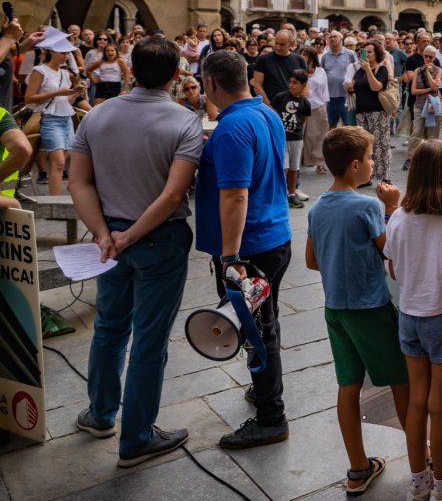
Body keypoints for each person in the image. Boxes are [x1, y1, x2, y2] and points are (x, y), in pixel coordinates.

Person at [69, 36, 203, 467]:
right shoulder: (184, 121)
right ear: (175, 74)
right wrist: (127, 236)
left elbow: (79, 182)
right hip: (158, 240)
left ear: (130, 68)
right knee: (149, 340)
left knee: (109, 328)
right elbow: (172, 195)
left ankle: (101, 414)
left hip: (109, 238)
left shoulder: (98, 115)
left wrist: (105, 234)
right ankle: (136, 438)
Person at [304, 126, 409, 495]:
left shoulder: (317, 208)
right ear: (353, 166)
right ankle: (423, 457)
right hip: (371, 309)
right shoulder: (367, 206)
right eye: (367, 159)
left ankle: (357, 468)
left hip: (336, 309)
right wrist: (392, 208)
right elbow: (389, 251)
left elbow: (312, 261)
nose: (370, 164)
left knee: (348, 386)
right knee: (401, 381)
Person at [196, 50, 292, 449]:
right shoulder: (264, 112)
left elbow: (235, 196)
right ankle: (263, 388)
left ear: (212, 84)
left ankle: (271, 417)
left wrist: (231, 258)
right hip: (275, 236)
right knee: (265, 323)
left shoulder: (231, 128)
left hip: (249, 247)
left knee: (257, 332)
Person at [383, 140, 442, 501]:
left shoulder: (399, 218)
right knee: (441, 405)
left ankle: (417, 482)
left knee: (416, 401)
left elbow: (392, 267)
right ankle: (441, 485)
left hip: (409, 316)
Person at [26, 33, 87, 196]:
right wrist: (58, 92)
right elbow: (29, 98)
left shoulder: (64, 73)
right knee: (58, 161)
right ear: (52, 52)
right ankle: (55, 200)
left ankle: (58, 198)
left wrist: (75, 92)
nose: (66, 56)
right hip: (49, 118)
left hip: (66, 118)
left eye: (67, 53)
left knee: (63, 162)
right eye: (63, 53)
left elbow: (66, 101)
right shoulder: (39, 71)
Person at [347, 41, 392, 186]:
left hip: (378, 112)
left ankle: (385, 176)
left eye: (370, 51)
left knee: (381, 145)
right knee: (365, 146)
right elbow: (355, 87)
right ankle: (368, 176)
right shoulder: (359, 70)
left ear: (377, 54)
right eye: (364, 51)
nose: (366, 54)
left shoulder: (382, 69)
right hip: (361, 112)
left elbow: (376, 87)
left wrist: (368, 70)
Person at [272, 69, 311, 208]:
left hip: (296, 139)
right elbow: (273, 114)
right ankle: (279, 193)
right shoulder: (280, 97)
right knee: (284, 167)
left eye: (295, 83)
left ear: (304, 85)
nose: (291, 85)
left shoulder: (305, 103)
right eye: (290, 82)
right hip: (282, 138)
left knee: (294, 167)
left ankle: (291, 194)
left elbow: (304, 120)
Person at [252, 29, 306, 105]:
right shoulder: (263, 60)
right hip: (270, 105)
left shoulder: (299, 60)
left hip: (292, 107)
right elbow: (257, 85)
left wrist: (301, 104)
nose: (277, 47)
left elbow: (304, 85)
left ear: (291, 43)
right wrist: (269, 106)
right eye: (276, 43)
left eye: (282, 44)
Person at [300, 47, 330, 175]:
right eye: (301, 54)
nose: (302, 57)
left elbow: (325, 89)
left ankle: (321, 163)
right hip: (301, 106)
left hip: (318, 106)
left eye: (305, 55)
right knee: (302, 136)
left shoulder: (320, 71)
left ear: (312, 56)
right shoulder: (299, 71)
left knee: (320, 136)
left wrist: (325, 106)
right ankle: (299, 163)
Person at [321, 31, 358, 129]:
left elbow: (357, 71)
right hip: (330, 97)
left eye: (335, 37)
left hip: (345, 96)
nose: (332, 39)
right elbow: (322, 73)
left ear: (341, 39)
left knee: (347, 124)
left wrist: (353, 84)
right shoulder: (325, 56)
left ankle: (347, 143)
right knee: (331, 123)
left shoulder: (350, 54)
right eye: (331, 37)